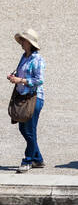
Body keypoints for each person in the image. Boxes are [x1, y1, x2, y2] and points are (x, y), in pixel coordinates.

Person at [7, 27, 45, 172]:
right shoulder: (24, 56)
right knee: (25, 129)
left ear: (29, 42)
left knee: (29, 130)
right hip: (23, 97)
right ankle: (38, 159)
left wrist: (21, 80)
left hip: (34, 98)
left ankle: (28, 160)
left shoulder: (38, 59)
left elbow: (39, 80)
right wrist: (13, 77)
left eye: (23, 40)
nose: (21, 42)